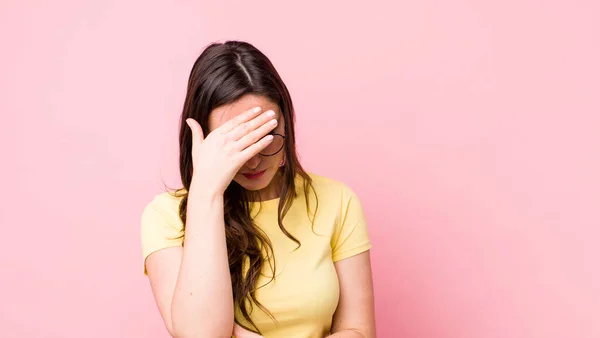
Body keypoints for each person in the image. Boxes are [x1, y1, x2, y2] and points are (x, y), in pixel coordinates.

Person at [141, 40, 376, 338]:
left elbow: (359, 331)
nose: (252, 159)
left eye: (265, 137)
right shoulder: (166, 216)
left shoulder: (337, 201)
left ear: (286, 126)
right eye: (237, 141)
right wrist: (206, 192)